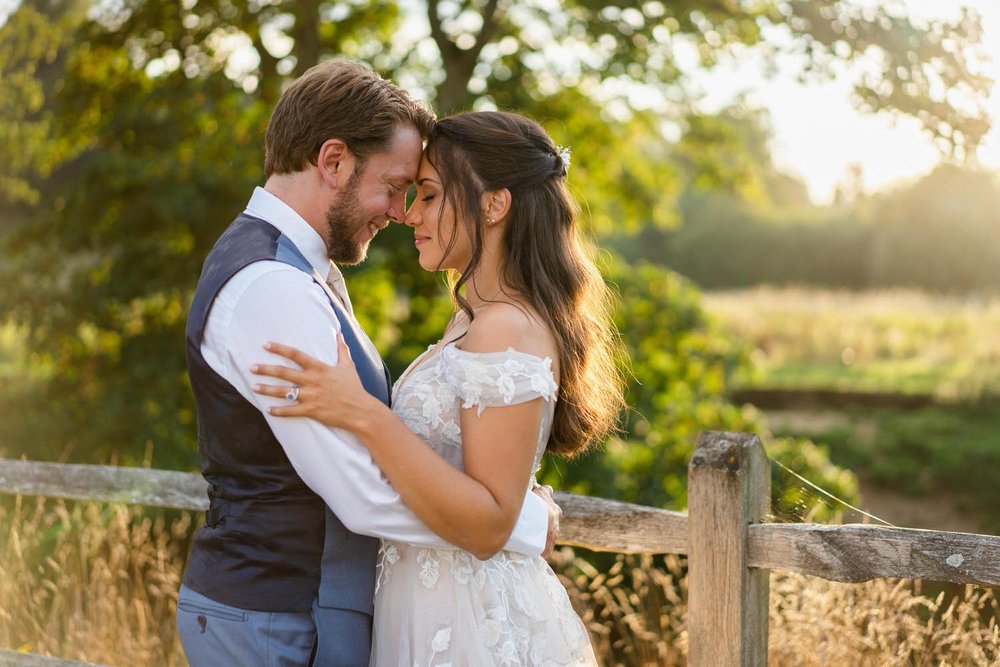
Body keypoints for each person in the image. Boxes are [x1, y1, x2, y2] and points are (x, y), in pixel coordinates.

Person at [177, 62, 557, 667]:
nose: (401, 210)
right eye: (397, 185)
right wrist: (516, 522)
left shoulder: (301, 271)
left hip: (301, 611)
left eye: (420, 193)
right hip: (275, 617)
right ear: (333, 162)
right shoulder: (273, 286)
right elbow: (358, 491)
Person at [251, 110, 625, 666]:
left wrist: (363, 414)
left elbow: (487, 524)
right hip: (425, 607)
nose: (408, 214)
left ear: (494, 205)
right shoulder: (473, 319)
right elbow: (475, 476)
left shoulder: (506, 326)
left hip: (472, 620)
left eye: (428, 195)